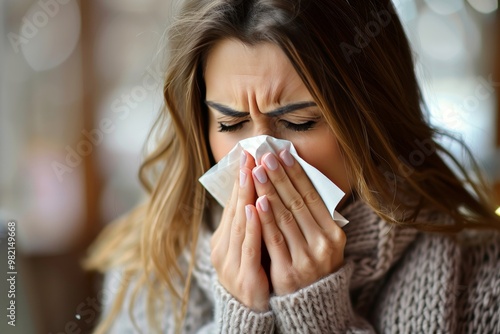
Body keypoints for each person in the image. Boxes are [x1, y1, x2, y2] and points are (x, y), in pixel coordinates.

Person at [84, 0, 500, 333]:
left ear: (373, 120)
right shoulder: (147, 270)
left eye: (299, 122)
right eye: (230, 123)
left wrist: (318, 316)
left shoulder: (482, 278)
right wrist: (240, 320)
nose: (260, 157)